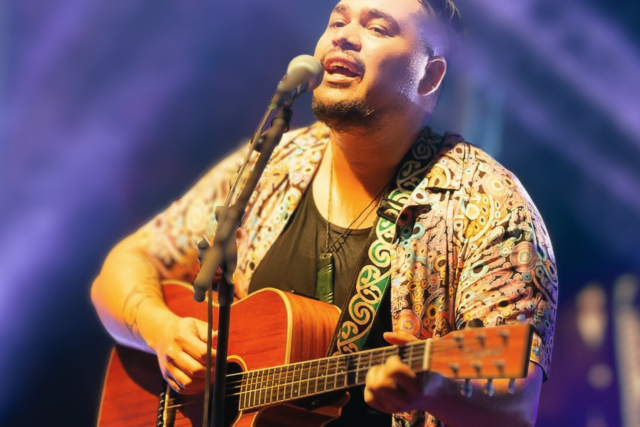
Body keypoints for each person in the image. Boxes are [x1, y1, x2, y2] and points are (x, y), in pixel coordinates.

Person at [91, 0, 558, 426]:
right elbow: (125, 265)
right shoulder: (273, 166)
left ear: (429, 76)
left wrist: (436, 391)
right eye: (337, 21)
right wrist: (162, 331)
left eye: (377, 27)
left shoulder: (488, 204)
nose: (345, 36)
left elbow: (516, 405)